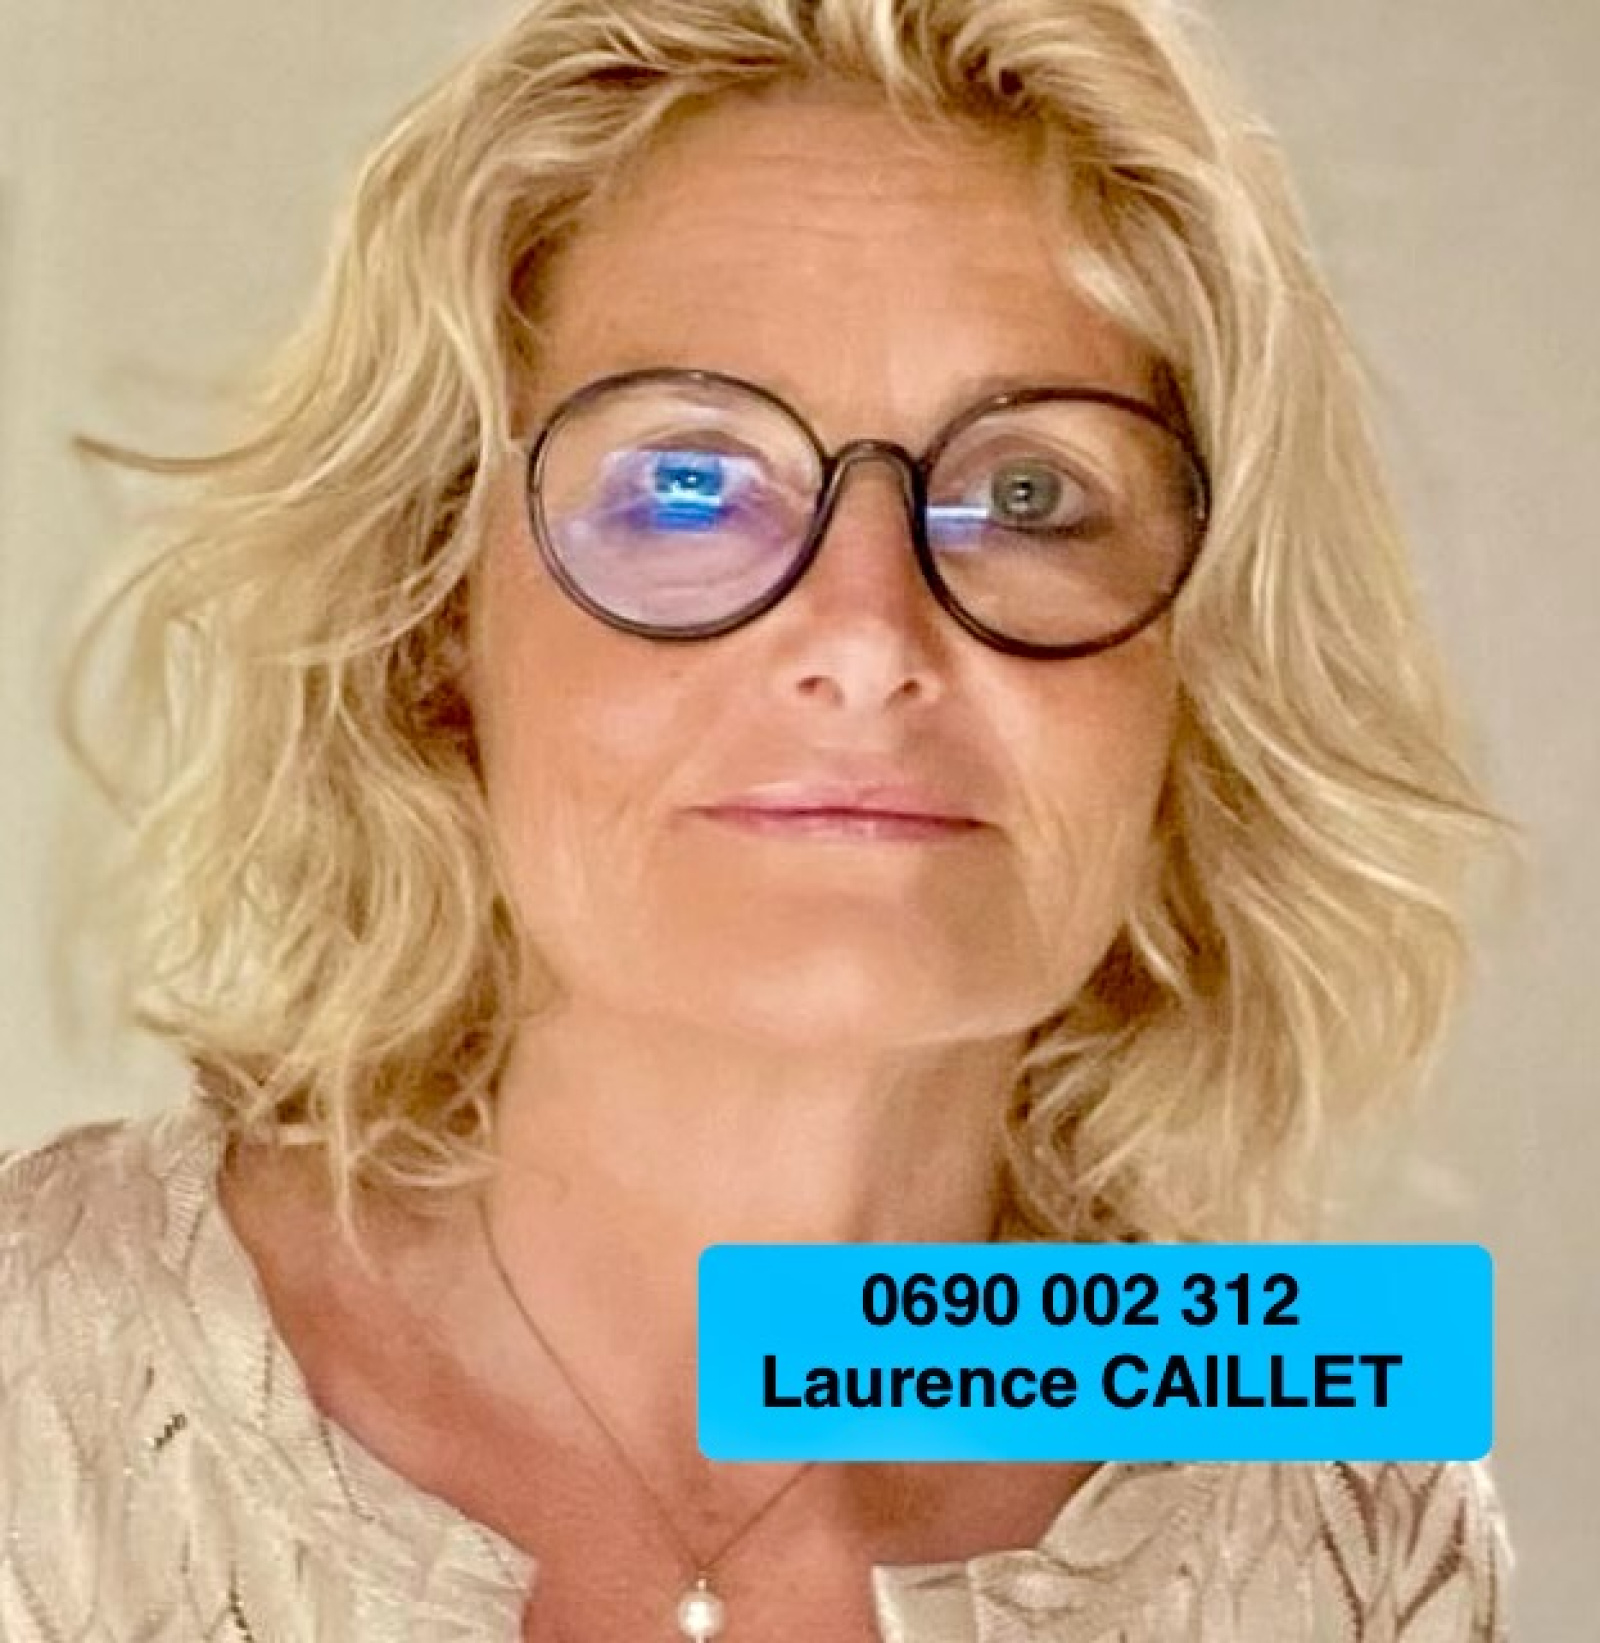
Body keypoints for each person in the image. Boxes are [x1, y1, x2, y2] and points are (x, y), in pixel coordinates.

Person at [0, 0, 1509, 1638]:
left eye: (1027, 495)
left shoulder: (1346, 1488)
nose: (865, 637)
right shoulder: (38, 1378)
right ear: (438, 615)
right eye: (690, 483)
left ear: (1198, 671)